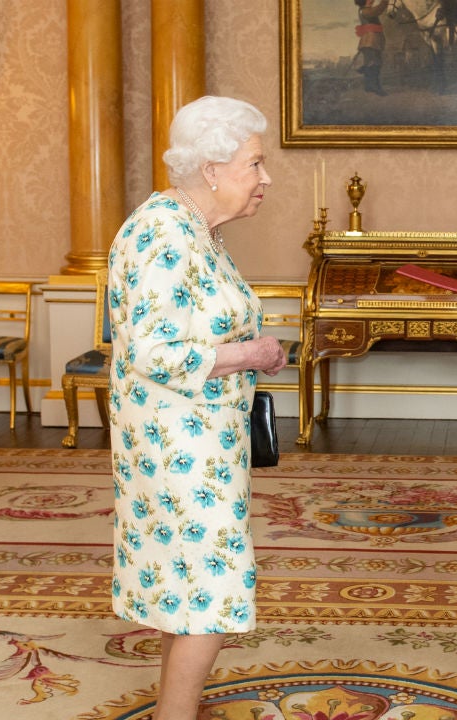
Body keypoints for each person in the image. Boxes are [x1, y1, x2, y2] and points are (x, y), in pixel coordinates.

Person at [107, 95, 287, 720]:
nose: (265, 179)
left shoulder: (194, 229)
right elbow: (153, 350)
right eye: (254, 164)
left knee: (188, 582)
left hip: (201, 439)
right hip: (175, 443)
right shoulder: (162, 232)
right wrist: (250, 354)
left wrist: (248, 353)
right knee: (212, 585)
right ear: (212, 168)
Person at [354, 0, 390, 95]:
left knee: (371, 63)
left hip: (370, 41)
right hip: (371, 41)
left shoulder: (364, 10)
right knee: (374, 64)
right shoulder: (366, 11)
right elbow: (379, 10)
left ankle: (369, 86)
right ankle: (375, 87)